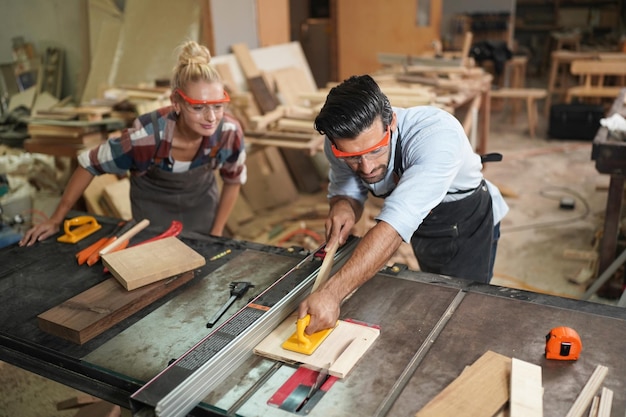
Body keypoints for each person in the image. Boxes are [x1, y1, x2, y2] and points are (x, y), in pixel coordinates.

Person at [298, 74, 508, 334]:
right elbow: (347, 186)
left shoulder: (437, 137)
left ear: (392, 122)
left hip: (462, 220)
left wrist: (331, 294)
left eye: (376, 150)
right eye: (353, 157)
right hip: (423, 222)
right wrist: (343, 205)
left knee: (463, 311)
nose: (367, 166)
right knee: (435, 290)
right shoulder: (338, 143)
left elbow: (395, 225)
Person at [19, 40, 246, 246]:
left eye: (218, 106)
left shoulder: (228, 132)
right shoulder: (146, 137)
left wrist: (216, 233)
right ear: (176, 103)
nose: (211, 117)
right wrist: (56, 219)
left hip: (203, 228)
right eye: (198, 107)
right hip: (151, 233)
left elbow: (233, 179)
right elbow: (89, 163)